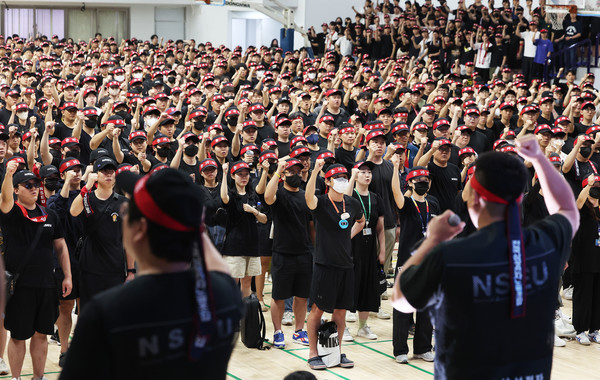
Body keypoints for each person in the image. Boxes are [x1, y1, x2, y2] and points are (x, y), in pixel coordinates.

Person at [392, 134, 579, 379]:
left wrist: (431, 241)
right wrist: (539, 159)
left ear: (474, 197)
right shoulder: (546, 243)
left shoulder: (450, 255)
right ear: (519, 195)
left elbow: (402, 300)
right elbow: (567, 208)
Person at [60, 168, 244, 379]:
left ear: (139, 230)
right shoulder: (224, 295)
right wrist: (188, 218)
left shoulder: (105, 313)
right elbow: (217, 266)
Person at [0, 163, 72, 380]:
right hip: (19, 285)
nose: (33, 188)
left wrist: (67, 275)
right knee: (19, 336)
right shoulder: (11, 212)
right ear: (16, 190)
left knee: (42, 334)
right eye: (27, 185)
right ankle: (16, 377)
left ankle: (38, 377)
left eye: (36, 184)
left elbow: (61, 247)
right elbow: (4, 198)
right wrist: (9, 175)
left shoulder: (50, 215)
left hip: (47, 284)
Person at [305, 161, 365, 370]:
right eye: (337, 178)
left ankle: (336, 352)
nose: (342, 181)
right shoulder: (320, 202)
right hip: (325, 264)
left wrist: (349, 235)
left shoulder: (352, 203)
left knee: (340, 311)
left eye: (344, 177)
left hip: (346, 265)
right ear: (328, 181)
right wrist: (314, 171)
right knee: (318, 310)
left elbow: (361, 221)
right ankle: (313, 353)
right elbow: (308, 198)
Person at [69, 156, 133, 309]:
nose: (109, 174)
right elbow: (73, 211)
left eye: (111, 171)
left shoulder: (124, 203)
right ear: (96, 174)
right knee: (89, 314)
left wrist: (131, 271)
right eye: (104, 171)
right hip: (89, 269)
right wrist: (87, 186)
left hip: (115, 269)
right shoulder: (87, 198)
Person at [264, 158, 313, 349]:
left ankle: (299, 331)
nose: (297, 174)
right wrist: (278, 171)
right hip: (282, 253)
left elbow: (311, 226)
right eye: (291, 171)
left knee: (302, 296)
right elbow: (267, 197)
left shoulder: (305, 196)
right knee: (279, 297)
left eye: (298, 172)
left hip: (303, 253)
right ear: (283, 175)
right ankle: (277, 332)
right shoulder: (279, 194)